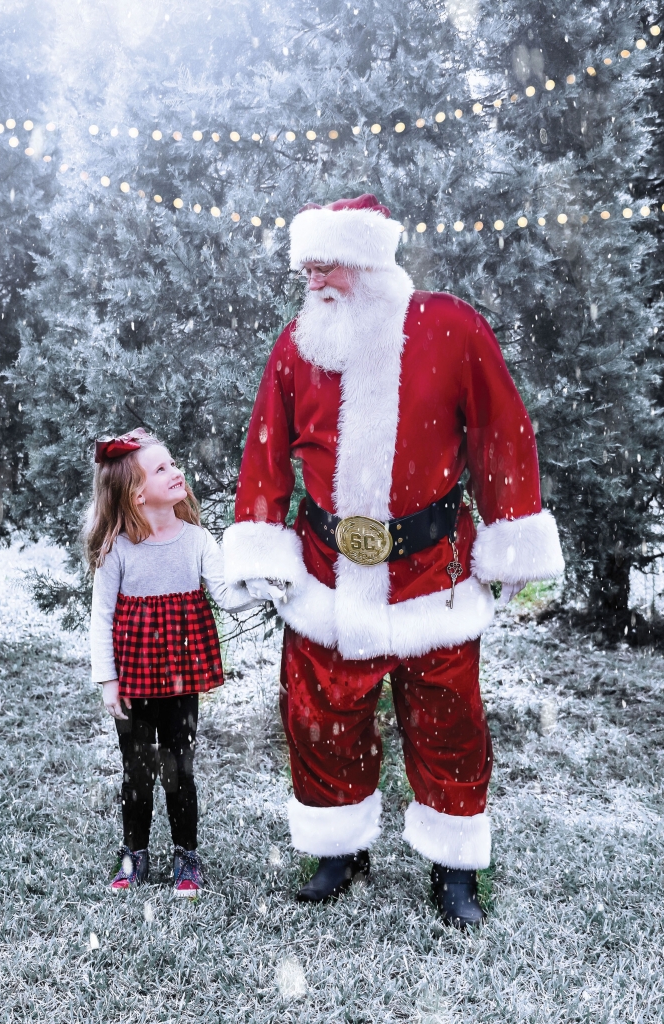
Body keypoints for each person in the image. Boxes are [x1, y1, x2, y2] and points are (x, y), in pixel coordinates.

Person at [223, 194, 564, 926]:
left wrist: (509, 537)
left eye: (328, 263)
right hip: (323, 567)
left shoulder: (450, 328)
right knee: (320, 717)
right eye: (306, 265)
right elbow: (265, 447)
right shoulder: (297, 344)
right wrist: (262, 541)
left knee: (448, 721)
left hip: (430, 574)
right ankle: (339, 849)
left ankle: (453, 867)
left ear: (371, 261)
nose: (312, 277)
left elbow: (501, 433)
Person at [87, 427, 255, 897]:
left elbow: (226, 594)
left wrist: (265, 588)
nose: (177, 472)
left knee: (178, 765)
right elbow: (101, 618)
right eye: (162, 469)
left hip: (181, 675)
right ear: (137, 494)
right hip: (134, 677)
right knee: (137, 769)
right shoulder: (118, 548)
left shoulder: (197, 540)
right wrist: (108, 680)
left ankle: (187, 856)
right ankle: (134, 854)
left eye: (174, 463)